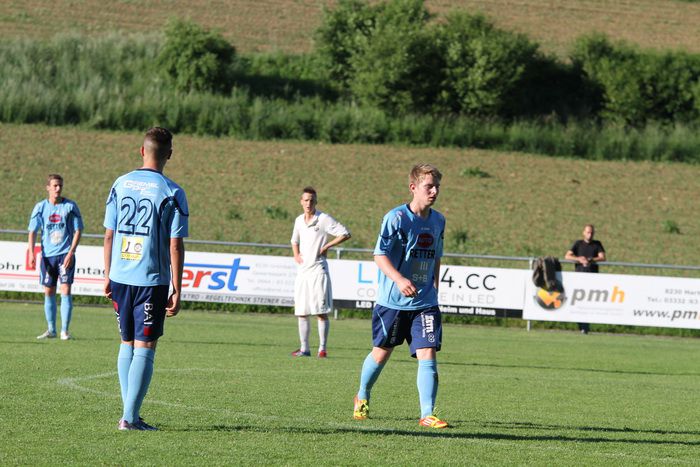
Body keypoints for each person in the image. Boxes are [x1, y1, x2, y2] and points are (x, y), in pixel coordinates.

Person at [103, 127, 188, 431]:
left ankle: (130, 414)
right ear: (169, 154)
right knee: (145, 345)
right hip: (150, 279)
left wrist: (107, 274)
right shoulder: (172, 192)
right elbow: (175, 245)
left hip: (120, 275)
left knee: (126, 342)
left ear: (142, 150)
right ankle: (129, 418)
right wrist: (177, 287)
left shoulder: (120, 183)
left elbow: (109, 234)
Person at [352, 164, 448, 429]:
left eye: (437, 186)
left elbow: (436, 255)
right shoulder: (395, 218)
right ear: (413, 187)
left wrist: (435, 286)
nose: (434, 191)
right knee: (381, 354)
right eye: (429, 186)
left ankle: (427, 414)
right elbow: (379, 254)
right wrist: (399, 279)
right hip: (393, 302)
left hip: (425, 302)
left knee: (427, 352)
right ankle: (362, 395)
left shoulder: (439, 221)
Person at [290, 187, 351, 358]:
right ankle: (304, 349)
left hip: (318, 270)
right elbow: (294, 240)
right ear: (301, 202)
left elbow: (345, 233)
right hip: (303, 272)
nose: (308, 203)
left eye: (311, 200)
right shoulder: (299, 220)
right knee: (302, 311)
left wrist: (326, 246)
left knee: (320, 311)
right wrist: (296, 255)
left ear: (316, 202)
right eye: (306, 200)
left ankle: (322, 349)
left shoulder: (323, 219)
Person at [28, 174, 83, 340]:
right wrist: (31, 252)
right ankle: (51, 329)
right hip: (47, 256)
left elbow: (78, 230)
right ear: (48, 188)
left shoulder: (70, 206)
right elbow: (33, 231)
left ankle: (64, 331)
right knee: (49, 290)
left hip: (65, 254)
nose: (58, 188)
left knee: (65, 289)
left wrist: (71, 252)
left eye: (60, 186)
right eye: (55, 186)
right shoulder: (40, 207)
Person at [565, 223, 606, 334]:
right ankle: (582, 325)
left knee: (589, 303)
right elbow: (567, 256)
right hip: (579, 277)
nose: (590, 234)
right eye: (588, 232)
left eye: (592, 232)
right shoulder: (578, 244)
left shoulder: (597, 244)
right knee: (578, 302)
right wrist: (579, 259)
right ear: (584, 233)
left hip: (592, 277)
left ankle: (585, 326)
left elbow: (603, 257)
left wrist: (591, 259)